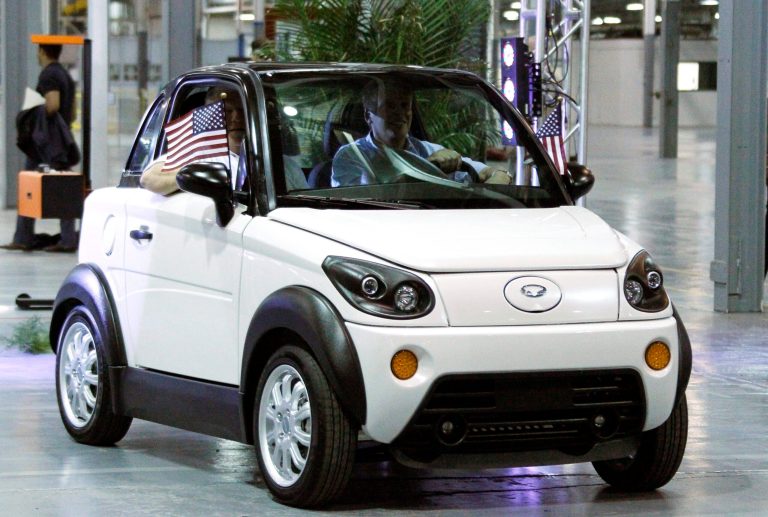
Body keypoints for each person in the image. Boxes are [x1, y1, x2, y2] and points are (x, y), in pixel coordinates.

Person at [331, 80, 511, 187]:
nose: (400, 113)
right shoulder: (351, 157)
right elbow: (362, 205)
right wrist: (427, 169)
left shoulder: (427, 150)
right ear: (368, 116)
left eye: (404, 106)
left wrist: (500, 178)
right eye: (390, 106)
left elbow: (489, 172)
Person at [1, 44, 78, 252]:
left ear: (43, 52)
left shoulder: (48, 75)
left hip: (46, 143)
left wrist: (33, 112)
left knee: (29, 185)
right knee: (63, 187)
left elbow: (52, 104)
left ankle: (25, 237)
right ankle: (66, 238)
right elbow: (72, 112)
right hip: (60, 140)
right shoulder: (64, 74)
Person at [140, 86, 246, 195]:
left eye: (242, 110)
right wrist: (197, 176)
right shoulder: (199, 153)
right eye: (227, 111)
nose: (237, 117)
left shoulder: (262, 151)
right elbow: (149, 178)